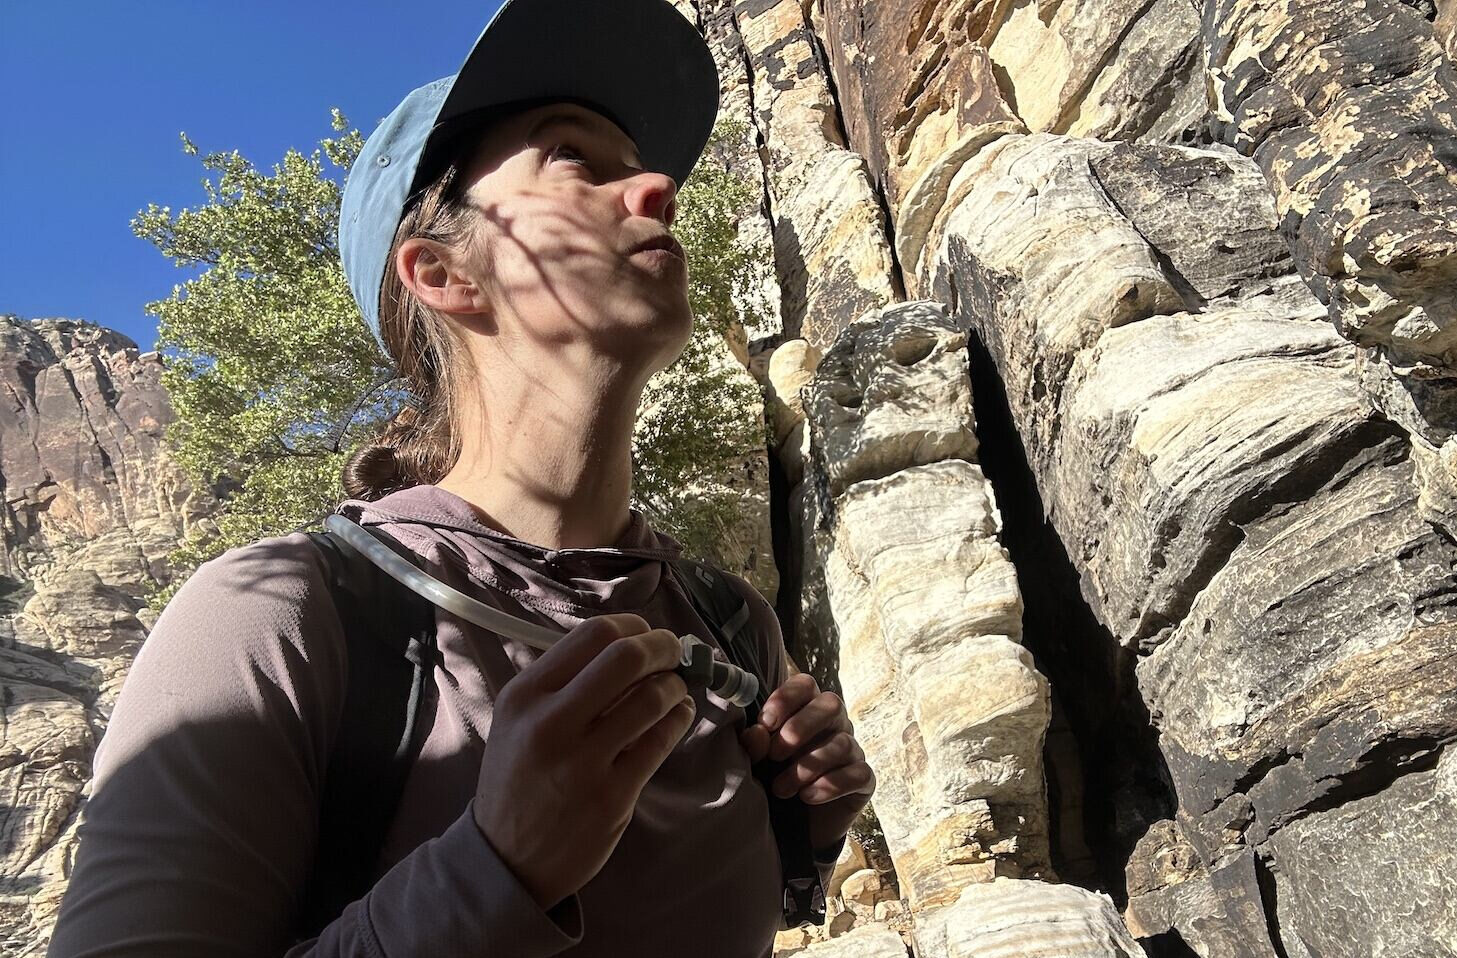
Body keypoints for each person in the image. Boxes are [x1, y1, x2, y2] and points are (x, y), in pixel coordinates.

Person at [46, 1, 874, 955]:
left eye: (639, 165)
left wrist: (802, 840)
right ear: (442, 275)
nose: (656, 187)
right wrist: (497, 870)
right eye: (575, 159)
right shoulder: (277, 616)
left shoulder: (731, 627)